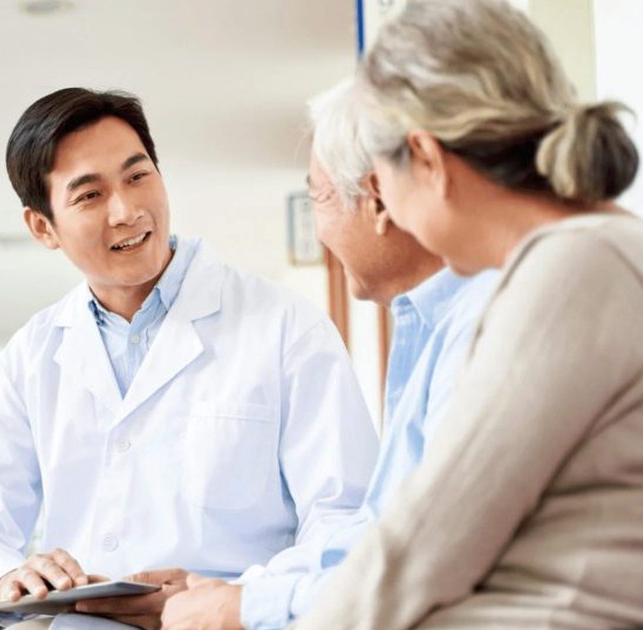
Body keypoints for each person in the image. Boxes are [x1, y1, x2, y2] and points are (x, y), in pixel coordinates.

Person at [0, 88, 377, 630]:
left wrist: (238, 597)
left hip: (209, 613)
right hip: (69, 613)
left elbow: (344, 519)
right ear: (42, 227)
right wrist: (7, 576)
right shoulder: (34, 353)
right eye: (89, 195)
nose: (126, 210)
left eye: (138, 176)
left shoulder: (285, 328)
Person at [291, 1, 643, 628]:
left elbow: (423, 543)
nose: (388, 210)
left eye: (382, 176)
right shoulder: (586, 257)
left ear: (426, 158)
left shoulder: (579, 268)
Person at [161, 80, 500, 630]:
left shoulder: (482, 326)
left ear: (378, 199)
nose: (318, 231)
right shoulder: (427, 328)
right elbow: (374, 532)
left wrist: (243, 609)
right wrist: (243, 591)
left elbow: (431, 562)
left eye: (317, 198)